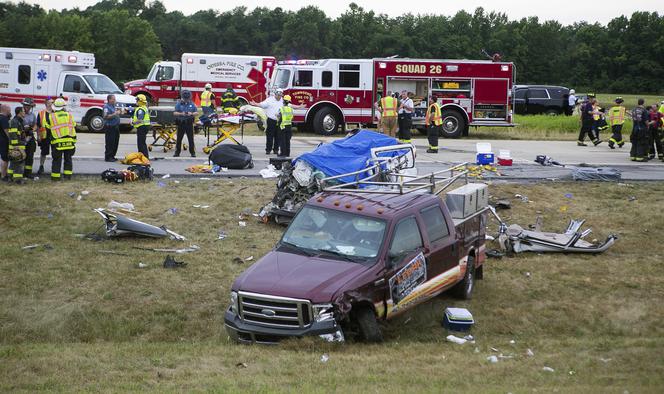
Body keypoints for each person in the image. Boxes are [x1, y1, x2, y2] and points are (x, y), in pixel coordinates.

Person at [46, 98, 77, 180]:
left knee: (56, 160)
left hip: (57, 143)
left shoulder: (51, 116)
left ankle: (55, 178)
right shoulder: (69, 115)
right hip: (69, 142)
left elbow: (47, 127)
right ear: (64, 107)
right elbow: (74, 125)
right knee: (68, 160)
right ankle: (67, 177)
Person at [251, 89, 284, 155]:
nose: (279, 97)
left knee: (278, 136)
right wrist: (256, 104)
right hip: (271, 120)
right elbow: (263, 105)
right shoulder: (269, 100)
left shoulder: (283, 101)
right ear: (275, 94)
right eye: (278, 95)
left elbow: (290, 105)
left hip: (279, 121)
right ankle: (268, 150)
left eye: (280, 96)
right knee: (269, 136)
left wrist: (299, 106)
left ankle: (276, 150)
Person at [173, 89, 197, 157]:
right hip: (181, 123)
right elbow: (174, 113)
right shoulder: (178, 104)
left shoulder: (192, 104)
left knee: (191, 139)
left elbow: (196, 112)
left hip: (189, 123)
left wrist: (191, 113)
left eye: (187, 98)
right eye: (185, 98)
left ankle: (192, 153)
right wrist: (181, 114)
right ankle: (177, 152)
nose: (186, 100)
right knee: (179, 139)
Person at [8, 106, 26, 184]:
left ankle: (10, 178)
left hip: (17, 145)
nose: (24, 112)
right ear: (19, 112)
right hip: (17, 146)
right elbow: (13, 133)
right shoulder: (15, 121)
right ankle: (18, 180)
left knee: (13, 163)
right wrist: (16, 146)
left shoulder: (18, 121)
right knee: (19, 164)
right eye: (23, 111)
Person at [36, 97, 54, 175]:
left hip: (54, 136)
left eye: (52, 102)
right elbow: (38, 126)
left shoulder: (56, 112)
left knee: (55, 152)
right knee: (43, 152)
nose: (51, 104)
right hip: (44, 136)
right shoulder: (41, 113)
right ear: (46, 104)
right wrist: (38, 136)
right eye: (50, 102)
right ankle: (41, 166)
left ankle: (54, 167)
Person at [21, 98, 37, 178]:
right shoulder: (20, 114)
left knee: (30, 156)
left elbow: (35, 125)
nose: (27, 107)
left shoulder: (32, 115)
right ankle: (20, 172)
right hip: (22, 138)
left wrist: (32, 129)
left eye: (28, 106)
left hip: (30, 138)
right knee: (21, 156)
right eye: (25, 106)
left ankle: (28, 173)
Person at [103, 94, 122, 162]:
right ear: (109, 100)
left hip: (116, 126)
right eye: (113, 99)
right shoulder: (106, 107)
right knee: (110, 142)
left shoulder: (114, 106)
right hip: (110, 127)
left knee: (115, 142)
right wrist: (115, 114)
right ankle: (108, 157)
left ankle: (112, 156)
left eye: (115, 99)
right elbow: (105, 116)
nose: (114, 100)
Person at [132, 94, 151, 159]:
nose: (136, 101)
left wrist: (133, 122)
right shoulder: (144, 107)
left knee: (141, 143)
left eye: (137, 100)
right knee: (142, 142)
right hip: (144, 127)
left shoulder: (140, 109)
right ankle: (143, 157)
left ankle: (144, 158)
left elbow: (140, 119)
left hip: (142, 127)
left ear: (140, 101)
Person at [0, 105, 10, 181]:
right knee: (5, 159)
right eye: (9, 109)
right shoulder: (4, 119)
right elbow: (7, 131)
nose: (10, 110)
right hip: (4, 141)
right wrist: (11, 140)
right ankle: (4, 176)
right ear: (5, 109)